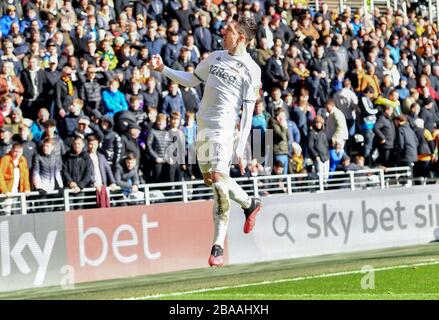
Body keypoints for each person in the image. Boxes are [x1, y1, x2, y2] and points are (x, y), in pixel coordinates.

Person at [149, 13, 262, 267]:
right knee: (213, 181)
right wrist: (163, 69)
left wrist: (241, 146)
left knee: (220, 185)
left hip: (224, 131)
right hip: (202, 128)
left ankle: (217, 247)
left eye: (229, 30)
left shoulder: (252, 70)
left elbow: (247, 112)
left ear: (241, 38)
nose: (223, 31)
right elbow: (192, 80)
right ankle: (249, 203)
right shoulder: (215, 57)